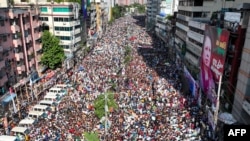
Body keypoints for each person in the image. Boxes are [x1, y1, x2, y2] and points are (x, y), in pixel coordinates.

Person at [200, 36, 216, 104]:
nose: (207, 54)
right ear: (203, 52)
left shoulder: (212, 78)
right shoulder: (201, 73)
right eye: (206, 49)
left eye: (209, 50)